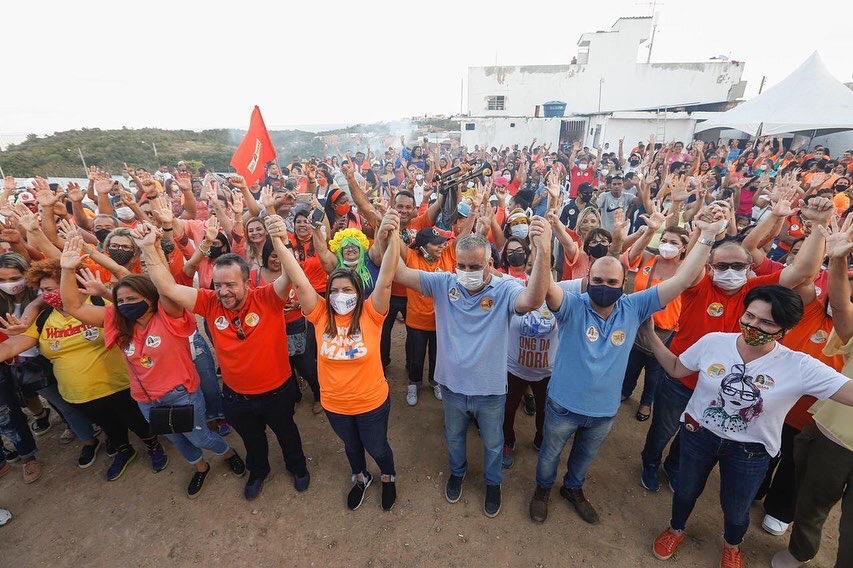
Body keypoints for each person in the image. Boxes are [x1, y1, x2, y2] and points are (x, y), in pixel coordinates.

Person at [528, 212, 728, 526]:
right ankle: (542, 491)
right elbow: (545, 290)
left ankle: (573, 489)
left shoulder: (634, 307)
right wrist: (541, 250)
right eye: (597, 281)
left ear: (624, 284)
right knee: (550, 455)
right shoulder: (570, 305)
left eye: (612, 282)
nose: (604, 287)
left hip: (604, 411)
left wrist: (707, 237)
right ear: (587, 281)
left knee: (584, 458)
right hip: (563, 405)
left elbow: (682, 279)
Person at [641, 285, 853, 568]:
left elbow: (849, 393)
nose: (754, 325)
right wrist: (652, 337)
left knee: (737, 507)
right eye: (750, 316)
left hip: (750, 451)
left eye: (767, 322)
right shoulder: (714, 342)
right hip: (697, 435)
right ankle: (675, 528)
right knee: (686, 490)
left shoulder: (799, 365)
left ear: (786, 329)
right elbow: (678, 369)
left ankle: (732, 545)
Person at [639, 194, 835, 493]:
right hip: (681, 374)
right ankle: (651, 463)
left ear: (749, 268)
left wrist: (819, 228)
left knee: (692, 432)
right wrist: (704, 235)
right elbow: (686, 272)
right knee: (663, 427)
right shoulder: (699, 285)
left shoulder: (756, 290)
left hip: (720, 384)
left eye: (738, 265)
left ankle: (674, 467)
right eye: (722, 266)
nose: (730, 272)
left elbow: (803, 272)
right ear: (711, 267)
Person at [58, 236, 247, 498]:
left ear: (150, 298)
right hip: (147, 401)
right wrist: (67, 268)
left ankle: (228, 453)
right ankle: (200, 468)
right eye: (120, 300)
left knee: (200, 438)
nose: (124, 305)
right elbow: (73, 306)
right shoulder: (116, 319)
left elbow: (166, 287)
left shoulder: (168, 315)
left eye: (131, 298)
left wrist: (150, 248)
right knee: (177, 440)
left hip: (182, 395)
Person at [136, 221, 310, 501]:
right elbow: (168, 288)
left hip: (277, 391)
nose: (224, 291)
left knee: (287, 433)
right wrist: (148, 249)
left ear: (246, 281)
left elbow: (291, 273)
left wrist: (279, 235)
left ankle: (297, 467)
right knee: (252, 440)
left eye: (230, 284)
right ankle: (258, 471)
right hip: (236, 396)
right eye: (218, 285)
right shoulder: (209, 301)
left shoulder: (267, 297)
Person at [393, 218, 553, 518]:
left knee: (493, 444)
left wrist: (542, 250)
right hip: (452, 386)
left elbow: (533, 300)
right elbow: (399, 272)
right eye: (462, 266)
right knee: (454, 437)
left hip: (490, 390)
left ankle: (493, 483)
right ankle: (458, 472)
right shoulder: (444, 283)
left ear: (490, 263)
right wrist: (386, 232)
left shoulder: (505, 289)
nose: (466, 273)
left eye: (474, 267)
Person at [274, 210, 401, 511]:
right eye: (335, 290)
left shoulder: (372, 314)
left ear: (359, 293)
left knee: (378, 446)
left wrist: (393, 234)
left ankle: (387, 476)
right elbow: (300, 280)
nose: (340, 295)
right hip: (335, 405)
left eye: (347, 290)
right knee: (351, 447)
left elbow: (386, 277)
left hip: (370, 403)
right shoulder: (320, 315)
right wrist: (279, 241)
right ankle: (360, 478)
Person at [2, 259, 167, 481]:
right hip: (79, 394)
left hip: (119, 385)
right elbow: (12, 346)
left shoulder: (99, 303)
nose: (45, 295)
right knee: (110, 426)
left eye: (50, 289)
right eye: (41, 290)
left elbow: (139, 318)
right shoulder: (43, 318)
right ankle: (124, 450)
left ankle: (153, 446)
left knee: (137, 421)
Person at [772, 215, 853, 568]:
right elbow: (843, 313)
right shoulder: (829, 313)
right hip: (835, 434)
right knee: (813, 499)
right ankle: (799, 551)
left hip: (822, 423)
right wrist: (836, 259)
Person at [621, 203, 690, 422]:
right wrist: (650, 230)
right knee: (631, 364)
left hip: (665, 331)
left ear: (683, 248)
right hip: (638, 324)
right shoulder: (647, 259)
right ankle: (625, 391)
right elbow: (628, 253)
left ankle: (646, 402)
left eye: (674, 243)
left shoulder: (687, 270)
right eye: (665, 240)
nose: (667, 245)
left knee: (654, 372)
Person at [401, 227, 456, 405]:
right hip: (416, 321)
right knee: (416, 358)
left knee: (437, 356)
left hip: (440, 321)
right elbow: (395, 244)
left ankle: (435, 382)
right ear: (423, 246)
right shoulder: (411, 256)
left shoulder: (447, 255)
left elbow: (462, 237)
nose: (441, 247)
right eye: (436, 244)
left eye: (442, 243)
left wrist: (473, 211)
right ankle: (414, 384)